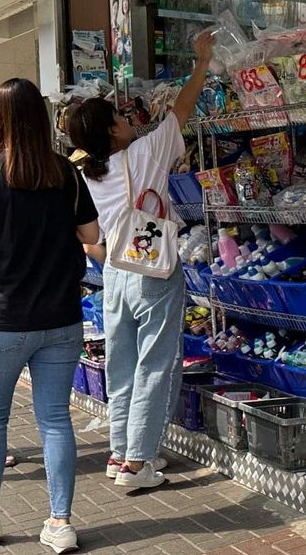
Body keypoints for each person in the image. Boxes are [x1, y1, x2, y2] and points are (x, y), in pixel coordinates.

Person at [0, 78, 99, 553]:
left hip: (3, 318)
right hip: (62, 316)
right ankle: (59, 524)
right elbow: (91, 233)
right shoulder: (66, 173)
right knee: (55, 418)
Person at [66, 30, 214, 489]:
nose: (128, 118)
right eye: (120, 116)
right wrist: (202, 61)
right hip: (152, 269)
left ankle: (120, 452)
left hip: (114, 271)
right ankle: (138, 462)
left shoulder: (85, 171)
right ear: (112, 129)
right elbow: (182, 110)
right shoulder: (144, 153)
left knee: (123, 363)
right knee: (155, 362)